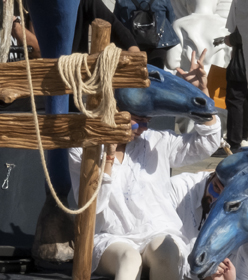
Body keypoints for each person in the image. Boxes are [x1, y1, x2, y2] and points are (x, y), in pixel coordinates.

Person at [70, 54, 220, 280]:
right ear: (113, 109)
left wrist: (200, 94)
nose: (142, 128)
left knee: (167, 252)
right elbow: (94, 206)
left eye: (147, 121)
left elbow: (207, 142)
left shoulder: (156, 141)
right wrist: (109, 158)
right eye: (137, 120)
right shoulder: (83, 149)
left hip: (156, 229)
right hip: (111, 236)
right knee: (129, 259)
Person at [113, 0, 180, 69]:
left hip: (132, 43)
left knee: (136, 75)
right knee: (157, 74)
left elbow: (116, 22)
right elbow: (171, 17)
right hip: (158, 43)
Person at [225, 0, 248, 151]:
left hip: (242, 58)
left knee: (236, 98)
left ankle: (234, 142)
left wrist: (229, 40)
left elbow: (240, 31)